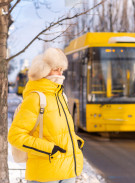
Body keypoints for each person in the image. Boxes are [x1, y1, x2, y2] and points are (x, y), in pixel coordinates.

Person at [8, 48, 84, 183]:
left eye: (62, 69)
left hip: (68, 171)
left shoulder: (60, 96)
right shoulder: (35, 98)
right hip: (44, 174)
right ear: (44, 70)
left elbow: (58, 130)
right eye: (56, 69)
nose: (60, 73)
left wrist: (75, 141)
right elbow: (16, 136)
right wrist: (50, 149)